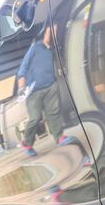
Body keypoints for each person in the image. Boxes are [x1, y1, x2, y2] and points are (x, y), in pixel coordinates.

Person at [17, 25, 72, 156]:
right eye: (49, 31)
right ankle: (27, 143)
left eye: (54, 31)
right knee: (35, 118)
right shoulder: (35, 47)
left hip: (51, 86)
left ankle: (59, 137)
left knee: (53, 113)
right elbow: (23, 67)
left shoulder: (53, 49)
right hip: (33, 90)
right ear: (45, 33)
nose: (51, 34)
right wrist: (21, 87)